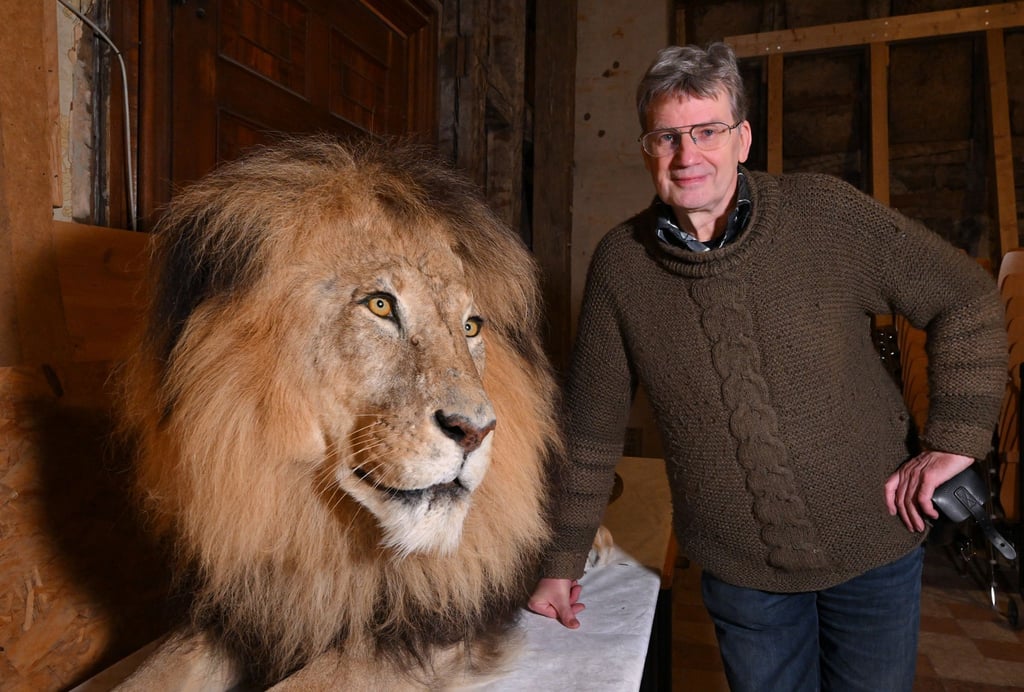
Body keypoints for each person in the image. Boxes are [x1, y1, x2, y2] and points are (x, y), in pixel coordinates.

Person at [528, 42, 1007, 691]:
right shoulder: (622, 265)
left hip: (875, 545)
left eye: (707, 131)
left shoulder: (825, 215)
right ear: (647, 149)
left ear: (743, 138)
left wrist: (955, 441)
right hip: (741, 573)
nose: (687, 155)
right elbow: (589, 427)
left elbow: (965, 296)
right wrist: (561, 559)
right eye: (667, 136)